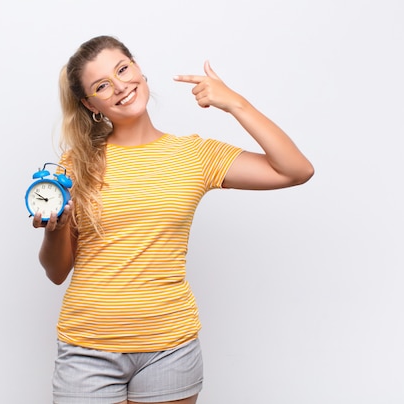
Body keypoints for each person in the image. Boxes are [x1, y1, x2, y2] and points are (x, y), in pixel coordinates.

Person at [32, 35, 314, 404]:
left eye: (123, 69)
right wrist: (53, 231)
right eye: (102, 85)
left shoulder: (194, 155)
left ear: (138, 69)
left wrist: (234, 103)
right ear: (89, 104)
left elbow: (296, 170)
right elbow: (56, 272)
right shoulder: (75, 165)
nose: (120, 86)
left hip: (170, 348)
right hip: (87, 347)